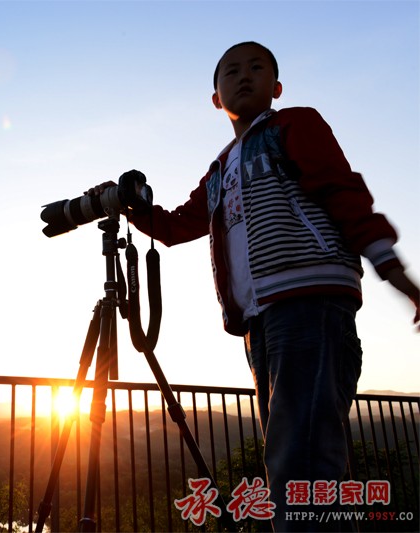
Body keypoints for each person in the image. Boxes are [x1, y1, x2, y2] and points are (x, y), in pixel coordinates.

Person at [88, 42, 419, 531]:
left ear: (276, 87)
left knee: (298, 463)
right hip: (260, 322)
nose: (244, 75)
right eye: (231, 71)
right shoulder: (220, 170)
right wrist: (131, 206)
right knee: (299, 459)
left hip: (310, 301)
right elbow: (177, 226)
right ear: (215, 98)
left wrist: (395, 272)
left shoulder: (295, 126)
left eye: (256, 67)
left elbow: (343, 192)